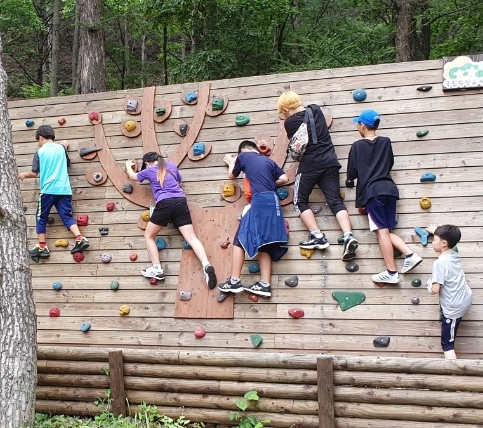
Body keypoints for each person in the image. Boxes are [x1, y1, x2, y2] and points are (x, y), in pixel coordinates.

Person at [344, 109, 422, 284]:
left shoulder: (357, 146)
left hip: (372, 192)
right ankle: (410, 255)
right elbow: (390, 163)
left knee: (382, 231)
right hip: (389, 190)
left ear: (362, 125)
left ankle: (392, 271)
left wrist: (353, 178)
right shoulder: (386, 142)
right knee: (384, 231)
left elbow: (351, 173)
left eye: (358, 123)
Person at [278, 91, 358, 260]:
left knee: (299, 201)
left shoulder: (290, 122)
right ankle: (348, 235)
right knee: (335, 200)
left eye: (282, 112)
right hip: (330, 161)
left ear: (286, 108)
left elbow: (297, 148)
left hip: (310, 164)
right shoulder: (316, 109)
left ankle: (317, 236)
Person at [125, 151, 217, 288]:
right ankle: (206, 265)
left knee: (149, 236)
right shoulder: (171, 166)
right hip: (181, 201)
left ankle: (157, 269)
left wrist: (128, 165)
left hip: (165, 203)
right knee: (191, 238)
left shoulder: (150, 170)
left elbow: (132, 176)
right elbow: (179, 181)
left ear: (147, 163)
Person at [218, 140, 290, 298]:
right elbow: (284, 178)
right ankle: (264, 284)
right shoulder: (269, 161)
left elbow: (232, 176)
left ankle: (234, 280)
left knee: (239, 239)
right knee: (263, 242)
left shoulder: (243, 156)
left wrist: (231, 162)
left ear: (243, 150)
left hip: (259, 200)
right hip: (273, 200)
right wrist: (269, 184)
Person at [18, 125, 88, 258]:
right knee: (66, 216)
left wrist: (23, 175)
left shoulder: (40, 152)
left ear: (40, 138)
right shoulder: (61, 148)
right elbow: (67, 164)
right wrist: (65, 148)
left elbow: (34, 173)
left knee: (41, 217)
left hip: (48, 190)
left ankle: (42, 247)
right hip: (64, 190)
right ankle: (80, 238)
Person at [428, 224, 472, 359]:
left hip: (454, 307)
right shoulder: (454, 254)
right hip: (464, 297)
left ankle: (453, 374)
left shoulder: (439, 263)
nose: (432, 242)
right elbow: (448, 242)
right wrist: (435, 231)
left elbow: (435, 290)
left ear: (444, 243)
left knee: (447, 344)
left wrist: (428, 284)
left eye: (434, 239)